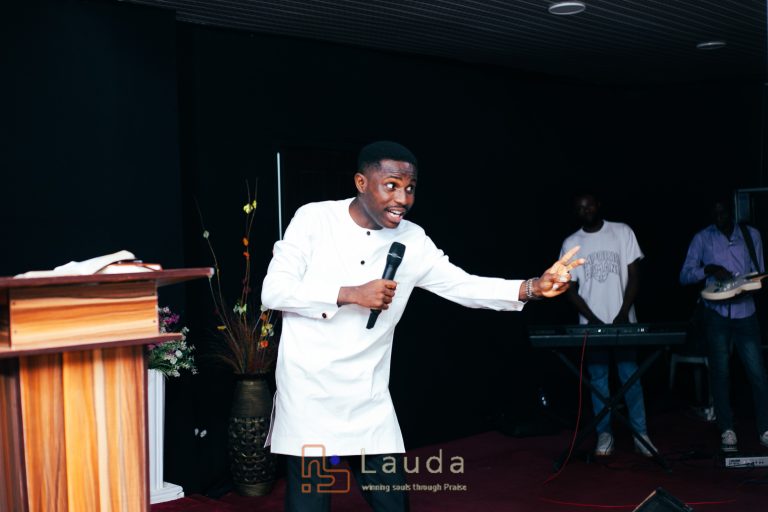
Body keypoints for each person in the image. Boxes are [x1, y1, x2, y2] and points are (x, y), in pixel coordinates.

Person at [261, 140, 584, 512]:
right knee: (309, 504)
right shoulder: (314, 219)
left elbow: (463, 285)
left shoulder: (412, 239)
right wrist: (351, 293)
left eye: (410, 188)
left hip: (367, 398)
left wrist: (532, 288)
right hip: (309, 395)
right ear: (361, 183)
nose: (403, 198)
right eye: (391, 186)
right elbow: (274, 291)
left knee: (393, 503)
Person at [560, 193, 657, 458]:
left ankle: (641, 434)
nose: (586, 210)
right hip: (591, 325)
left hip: (623, 322)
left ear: (598, 205)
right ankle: (605, 434)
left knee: (631, 377)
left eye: (589, 205)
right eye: (580, 207)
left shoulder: (622, 232)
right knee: (598, 381)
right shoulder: (571, 243)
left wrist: (624, 312)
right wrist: (591, 318)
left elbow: (635, 275)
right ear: (576, 212)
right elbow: (568, 288)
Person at [679, 194, 768, 453]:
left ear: (732, 211)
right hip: (716, 314)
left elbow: (760, 273)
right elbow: (684, 276)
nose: (720, 218)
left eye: (723, 213)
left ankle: (765, 428)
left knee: (757, 373)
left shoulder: (751, 235)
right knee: (720, 373)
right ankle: (727, 429)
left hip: (745, 312)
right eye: (715, 214)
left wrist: (745, 286)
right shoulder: (702, 238)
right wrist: (707, 269)